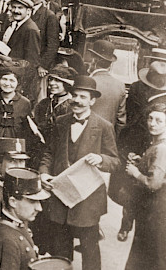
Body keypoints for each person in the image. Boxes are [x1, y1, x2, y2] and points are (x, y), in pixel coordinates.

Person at [38, 76, 121, 270]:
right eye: (74, 95)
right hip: (60, 197)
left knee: (89, 250)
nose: (77, 100)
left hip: (87, 202)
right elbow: (49, 153)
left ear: (92, 101)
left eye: (83, 97)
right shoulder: (61, 122)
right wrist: (43, 173)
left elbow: (115, 161)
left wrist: (101, 159)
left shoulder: (103, 127)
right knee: (60, 250)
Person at [123, 101, 166, 270]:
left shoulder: (161, 148)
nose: (152, 124)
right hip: (152, 209)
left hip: (156, 210)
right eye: (150, 118)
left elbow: (153, 183)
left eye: (159, 120)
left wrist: (136, 173)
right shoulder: (156, 144)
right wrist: (142, 163)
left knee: (154, 256)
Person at [0, 168, 51, 270]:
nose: (39, 208)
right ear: (13, 202)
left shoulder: (17, 222)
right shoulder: (6, 240)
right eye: (32, 201)